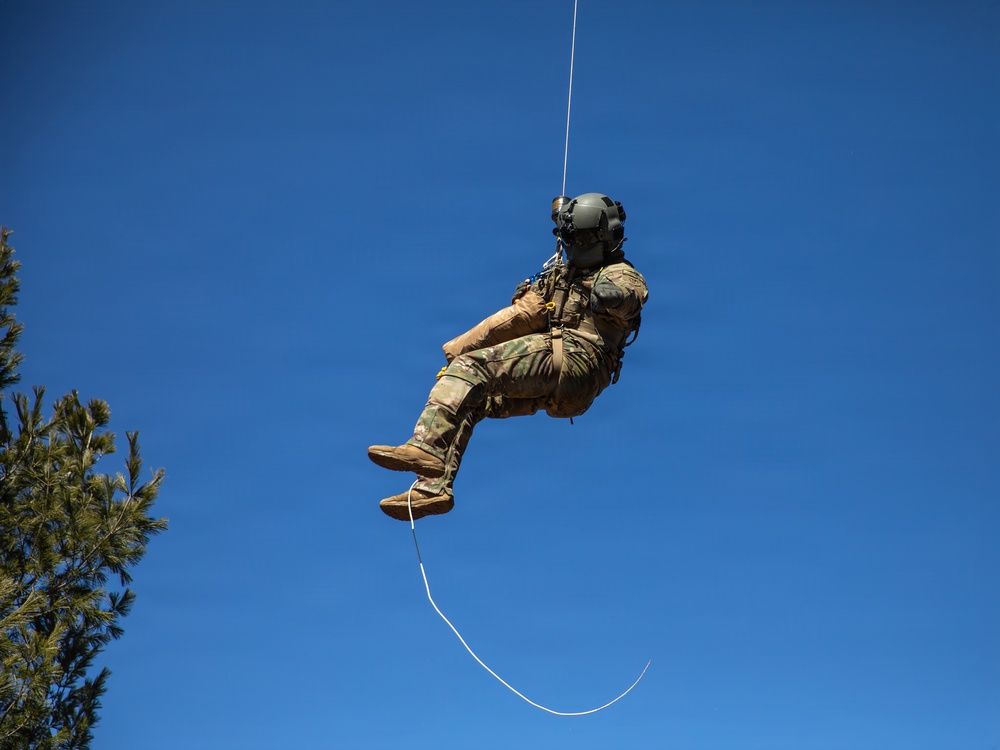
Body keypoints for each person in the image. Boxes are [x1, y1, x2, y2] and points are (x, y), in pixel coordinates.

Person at [368, 192, 649, 521]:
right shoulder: (558, 276)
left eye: (583, 237)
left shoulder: (620, 274)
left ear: (606, 238)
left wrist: (610, 297)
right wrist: (457, 350)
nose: (575, 245)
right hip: (566, 390)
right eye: (571, 237)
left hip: (576, 360)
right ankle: (433, 487)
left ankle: (426, 445)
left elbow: (631, 297)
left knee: (473, 368)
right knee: (471, 398)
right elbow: (519, 317)